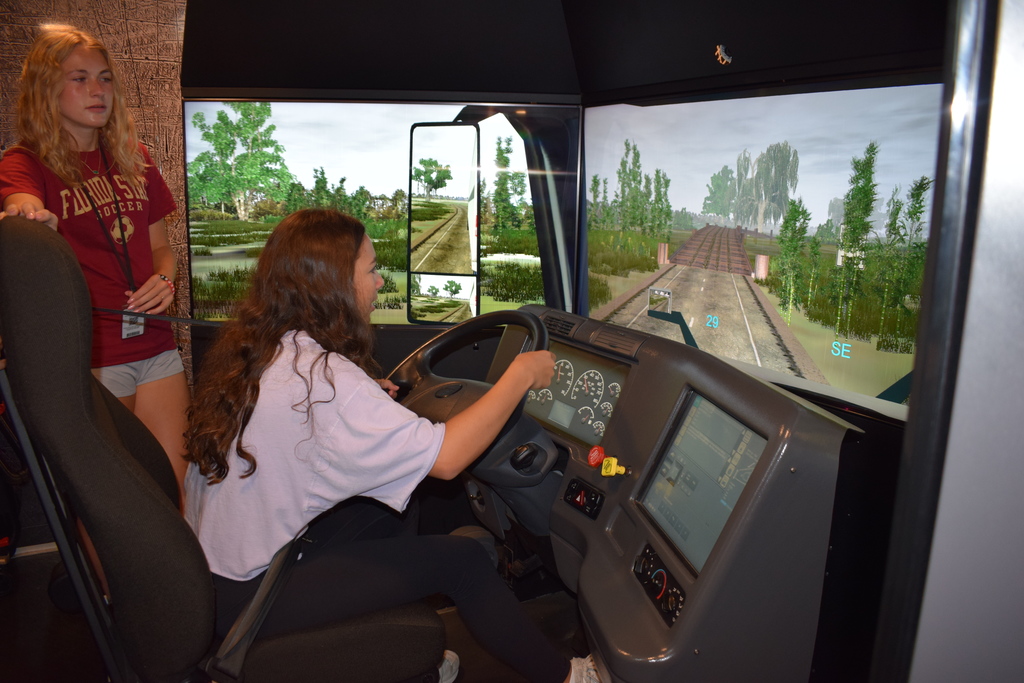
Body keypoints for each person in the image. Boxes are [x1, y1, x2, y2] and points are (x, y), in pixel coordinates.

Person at [184, 209, 601, 683]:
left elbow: (320, 429)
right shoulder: (329, 385)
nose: (380, 281)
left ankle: (397, 655)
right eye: (371, 270)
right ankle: (568, 677)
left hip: (215, 574)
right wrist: (519, 376)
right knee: (463, 563)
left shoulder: (271, 350)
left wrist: (367, 403)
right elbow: (447, 459)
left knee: (390, 510)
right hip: (254, 596)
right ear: (334, 285)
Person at [0, 26, 189, 506]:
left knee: (176, 492)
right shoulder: (25, 162)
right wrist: (29, 218)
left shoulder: (134, 157)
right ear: (46, 88)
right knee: (113, 505)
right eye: (79, 78)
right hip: (94, 357)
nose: (97, 90)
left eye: (104, 78)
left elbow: (162, 249)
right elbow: (21, 204)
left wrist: (165, 279)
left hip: (156, 343)